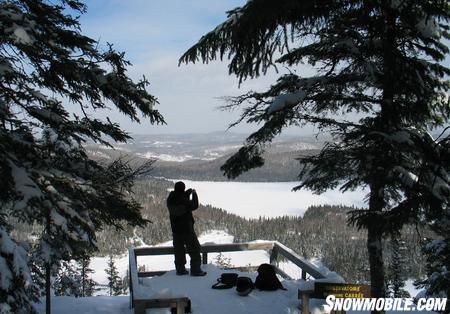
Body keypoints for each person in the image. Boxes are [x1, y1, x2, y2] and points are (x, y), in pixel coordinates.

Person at [166, 181, 207, 276]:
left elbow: (179, 200)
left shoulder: (171, 199)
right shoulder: (184, 201)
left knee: (179, 251)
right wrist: (194, 194)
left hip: (176, 231)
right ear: (183, 189)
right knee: (195, 249)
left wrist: (185, 194)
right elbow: (194, 205)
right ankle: (196, 270)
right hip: (187, 230)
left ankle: (180, 270)